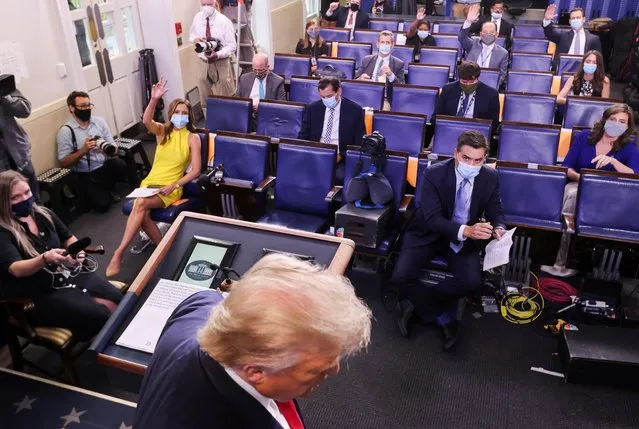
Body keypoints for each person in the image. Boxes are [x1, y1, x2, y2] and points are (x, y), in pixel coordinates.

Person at [134, 254, 372, 429]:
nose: (334, 369)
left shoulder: (200, 305)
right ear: (256, 372)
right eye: (315, 370)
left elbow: (219, 297)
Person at [391, 130, 506, 350]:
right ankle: (444, 319)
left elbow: (496, 211)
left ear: (484, 159)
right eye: (466, 158)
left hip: (462, 238)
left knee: (472, 283)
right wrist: (467, 231)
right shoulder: (434, 173)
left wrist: (499, 227)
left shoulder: (490, 177)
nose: (471, 165)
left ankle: (416, 305)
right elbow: (432, 218)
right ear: (455, 154)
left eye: (478, 160)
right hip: (428, 232)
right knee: (400, 276)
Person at [0, 170, 122, 341]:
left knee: (117, 298)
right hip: (37, 295)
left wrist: (77, 251)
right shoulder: (3, 232)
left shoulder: (42, 213)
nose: (25, 199)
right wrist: (44, 259)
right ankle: (104, 352)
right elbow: (16, 269)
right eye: (15, 197)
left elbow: (67, 237)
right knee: (100, 314)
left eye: (27, 192)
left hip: (64, 275)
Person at [106, 78, 202, 277]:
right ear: (171, 114)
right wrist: (153, 100)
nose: (181, 116)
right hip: (149, 184)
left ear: (189, 117)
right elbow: (146, 121)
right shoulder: (163, 132)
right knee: (143, 214)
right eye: (177, 112)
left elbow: (195, 172)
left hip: (170, 187)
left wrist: (174, 185)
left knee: (140, 206)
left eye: (184, 113)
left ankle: (118, 253)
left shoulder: (192, 138)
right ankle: (163, 248)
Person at [542, 104, 639, 277]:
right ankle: (561, 261)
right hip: (580, 185)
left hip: (612, 193)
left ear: (627, 127)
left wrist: (614, 162)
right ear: (605, 120)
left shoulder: (629, 147)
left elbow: (634, 175)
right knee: (571, 195)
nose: (616, 124)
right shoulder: (585, 137)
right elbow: (567, 167)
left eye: (622, 122)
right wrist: (584, 179)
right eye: (613, 119)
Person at [56, 91, 128, 213]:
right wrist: (83, 150)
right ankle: (99, 193)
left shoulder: (99, 121)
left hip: (104, 165)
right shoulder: (66, 131)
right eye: (83, 106)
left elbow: (113, 146)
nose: (87, 109)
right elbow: (63, 162)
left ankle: (106, 189)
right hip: (86, 174)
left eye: (89, 105)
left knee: (121, 165)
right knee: (102, 206)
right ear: (72, 108)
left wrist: (107, 148)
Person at [298, 77, 365, 185]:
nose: (326, 100)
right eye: (322, 97)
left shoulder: (354, 110)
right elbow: (302, 136)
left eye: (329, 96)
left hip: (340, 157)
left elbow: (359, 142)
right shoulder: (313, 108)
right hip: (315, 154)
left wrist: (341, 155)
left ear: (339, 91)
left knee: (340, 176)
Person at [189, 0, 238, 105]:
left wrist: (218, 54)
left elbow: (232, 46)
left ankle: (229, 119)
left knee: (226, 96)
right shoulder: (197, 17)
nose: (206, 7)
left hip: (221, 62)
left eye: (209, 4)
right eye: (203, 5)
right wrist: (195, 39)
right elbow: (192, 35)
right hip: (203, 61)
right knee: (205, 98)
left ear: (215, 3)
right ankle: (209, 119)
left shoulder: (224, 21)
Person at [0, 81, 39, 200]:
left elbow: (25, 110)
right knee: (6, 207)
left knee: (33, 199)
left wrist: (4, 96)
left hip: (19, 157)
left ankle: (39, 218)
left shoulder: (4, 85)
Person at [434, 61, 500, 129]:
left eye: (471, 82)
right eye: (464, 82)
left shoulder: (491, 94)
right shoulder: (447, 90)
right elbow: (436, 117)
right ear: (459, 79)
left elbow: (493, 124)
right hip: (450, 129)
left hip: (476, 133)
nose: (468, 85)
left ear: (478, 78)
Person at [459, 4, 509, 89]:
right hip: (469, 83)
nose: (488, 34)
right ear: (481, 34)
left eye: (491, 32)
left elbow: (502, 76)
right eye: (485, 32)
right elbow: (462, 37)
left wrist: (491, 87)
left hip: (490, 87)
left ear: (496, 35)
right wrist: (468, 21)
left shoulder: (503, 53)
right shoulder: (472, 44)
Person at [355, 30, 405, 111]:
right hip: (365, 95)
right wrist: (360, 79)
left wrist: (391, 75)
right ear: (377, 44)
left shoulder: (399, 64)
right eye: (382, 42)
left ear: (392, 45)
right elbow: (354, 81)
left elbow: (402, 89)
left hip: (384, 100)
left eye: (387, 42)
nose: (384, 45)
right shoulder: (367, 60)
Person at [236, 53, 286, 129]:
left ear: (268, 67)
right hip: (247, 116)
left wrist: (262, 107)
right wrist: (248, 106)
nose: (257, 73)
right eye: (255, 70)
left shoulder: (278, 81)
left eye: (260, 70)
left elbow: (281, 106)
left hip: (267, 118)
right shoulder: (244, 78)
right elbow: (237, 101)